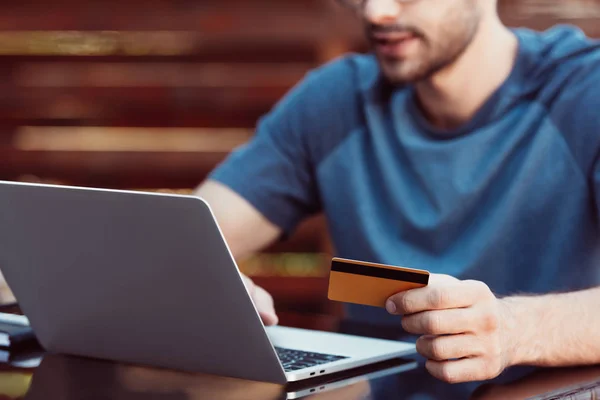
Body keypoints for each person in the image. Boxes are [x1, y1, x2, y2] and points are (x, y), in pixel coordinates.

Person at [194, 0, 600, 384]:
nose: (376, 12)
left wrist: (515, 329)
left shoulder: (584, 93)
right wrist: (200, 276)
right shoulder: (335, 102)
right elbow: (188, 237)